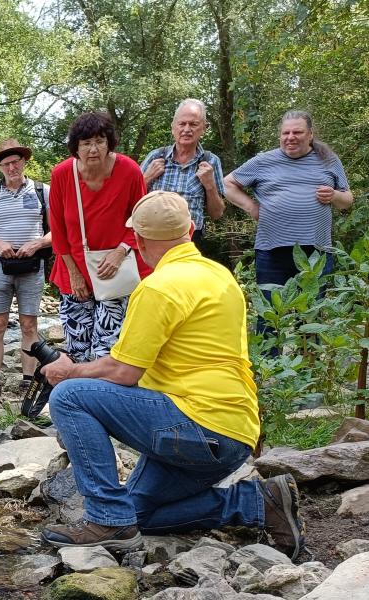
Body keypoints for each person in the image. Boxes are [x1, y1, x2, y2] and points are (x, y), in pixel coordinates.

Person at [39, 191, 305, 561]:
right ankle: (256, 503)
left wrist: (70, 371)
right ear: (191, 229)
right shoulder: (219, 275)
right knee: (138, 514)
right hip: (233, 435)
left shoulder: (158, 287)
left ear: (139, 241)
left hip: (194, 426)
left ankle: (104, 519)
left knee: (70, 395)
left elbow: (123, 372)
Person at [49, 112, 151, 363]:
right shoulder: (62, 174)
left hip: (115, 269)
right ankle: (77, 398)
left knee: (108, 348)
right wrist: (74, 273)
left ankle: (102, 397)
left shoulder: (129, 171)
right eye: (86, 143)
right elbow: (58, 228)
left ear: (110, 143)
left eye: (100, 141)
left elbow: (141, 219)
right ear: (76, 147)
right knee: (77, 347)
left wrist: (121, 251)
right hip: (74, 270)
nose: (93, 149)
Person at [224, 110, 353, 304]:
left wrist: (334, 195)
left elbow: (348, 199)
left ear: (310, 135)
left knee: (312, 316)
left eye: (297, 132)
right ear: (280, 135)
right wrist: (252, 207)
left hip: (316, 252)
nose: (290, 137)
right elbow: (227, 183)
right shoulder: (263, 161)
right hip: (271, 251)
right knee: (270, 315)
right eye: (286, 133)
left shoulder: (329, 160)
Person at [0, 138, 51, 397]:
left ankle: (28, 379)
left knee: (29, 324)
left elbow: (59, 231)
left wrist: (38, 243)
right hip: (0, 264)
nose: (11, 168)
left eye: (15, 162)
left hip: (33, 264)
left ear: (24, 161)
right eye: (6, 164)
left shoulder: (43, 191)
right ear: (0, 167)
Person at [140, 99, 226, 248]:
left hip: (191, 239)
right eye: (182, 124)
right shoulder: (155, 156)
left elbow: (216, 214)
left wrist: (210, 186)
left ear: (204, 128)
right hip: (153, 236)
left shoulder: (210, 161)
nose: (187, 129)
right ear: (173, 128)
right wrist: (146, 178)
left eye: (193, 124)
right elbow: (129, 200)